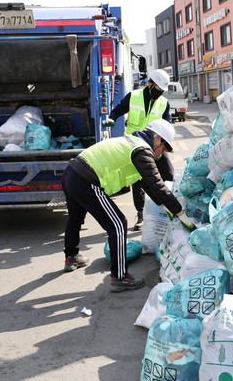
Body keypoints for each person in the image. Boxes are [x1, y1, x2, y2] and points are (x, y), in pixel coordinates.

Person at [61, 119, 194, 292]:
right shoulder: (142, 151)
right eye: (165, 148)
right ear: (157, 139)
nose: (162, 153)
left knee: (75, 218)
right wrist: (180, 212)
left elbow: (149, 187)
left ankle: (71, 257)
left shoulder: (133, 143)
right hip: (86, 180)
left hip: (72, 173)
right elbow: (158, 185)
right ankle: (120, 277)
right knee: (118, 223)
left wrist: (166, 207)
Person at [102, 69, 173, 231]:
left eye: (162, 91)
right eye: (158, 89)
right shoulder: (133, 97)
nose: (160, 93)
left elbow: (167, 125)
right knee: (138, 180)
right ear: (150, 84)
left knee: (168, 175)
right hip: (134, 145)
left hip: (155, 145)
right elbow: (118, 110)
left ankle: (169, 208)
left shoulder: (164, 103)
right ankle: (140, 214)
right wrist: (111, 119)